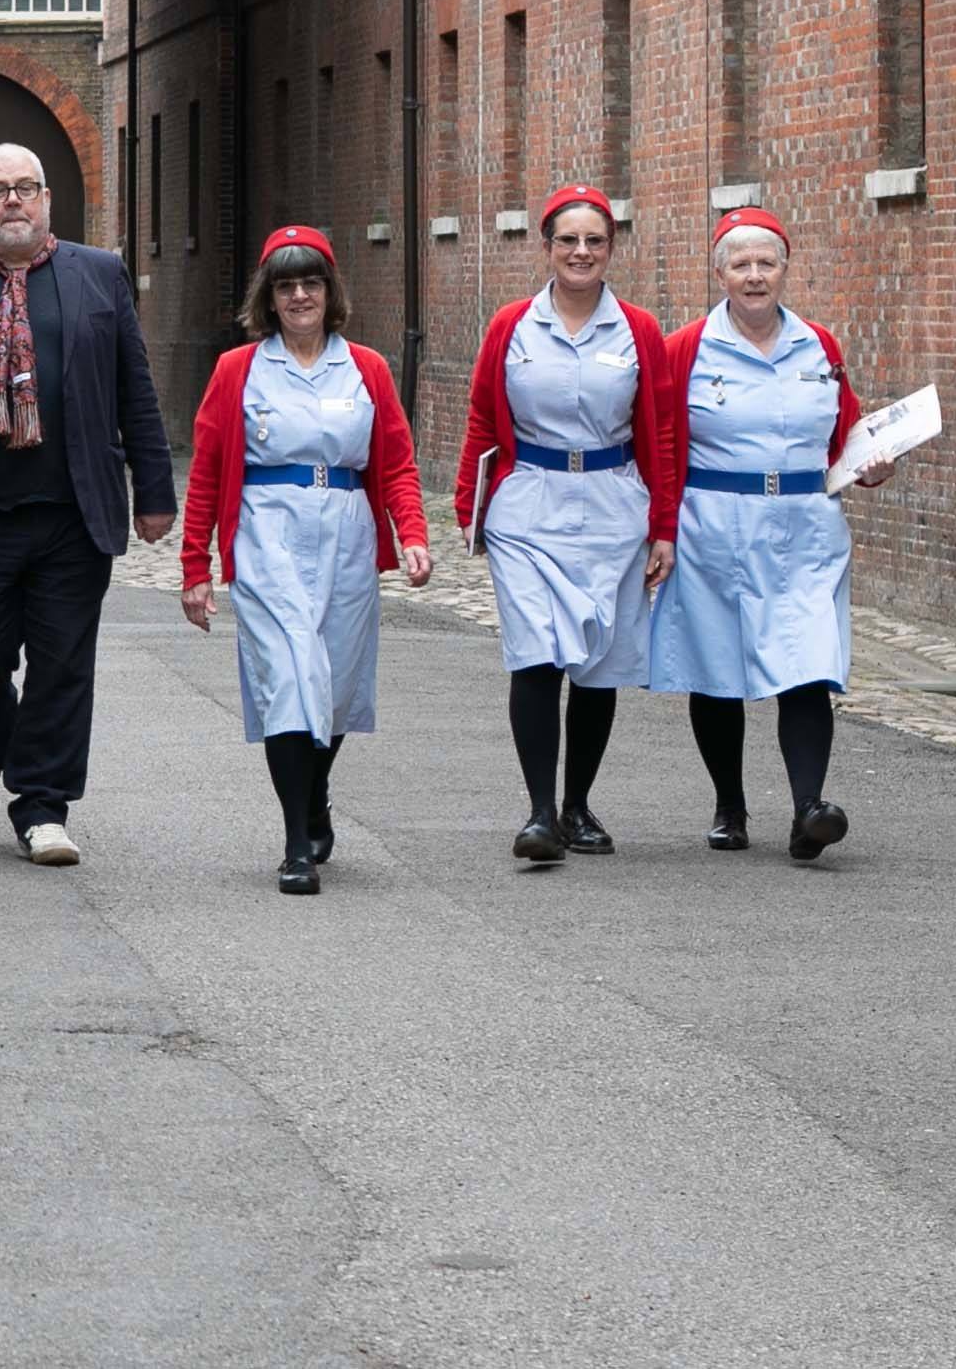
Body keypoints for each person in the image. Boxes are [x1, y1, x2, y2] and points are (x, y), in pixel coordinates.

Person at [0, 144, 176, 865]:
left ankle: (43, 806)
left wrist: (153, 489)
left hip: (72, 513)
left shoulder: (99, 276)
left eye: (25, 188)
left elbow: (133, 388)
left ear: (47, 199)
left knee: (61, 665)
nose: (12, 201)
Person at [176, 229, 431, 894]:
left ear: (329, 291)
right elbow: (205, 471)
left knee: (336, 686)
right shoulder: (239, 370)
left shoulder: (367, 369)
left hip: (346, 533)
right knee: (290, 676)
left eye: (310, 283)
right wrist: (194, 568)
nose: (298, 296)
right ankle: (295, 842)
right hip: (267, 535)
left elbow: (396, 461)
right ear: (268, 296)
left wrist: (410, 533)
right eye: (285, 286)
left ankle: (314, 792)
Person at [649, 207, 895, 859]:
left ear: (784, 269)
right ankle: (729, 805)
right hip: (714, 524)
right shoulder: (685, 350)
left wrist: (871, 465)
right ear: (719, 272)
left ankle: (807, 809)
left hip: (804, 526)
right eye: (740, 264)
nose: (754, 276)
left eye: (766, 263)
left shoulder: (819, 345)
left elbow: (844, 433)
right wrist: (661, 530)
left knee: (808, 662)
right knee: (716, 667)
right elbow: (664, 445)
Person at [453, 186, 681, 866]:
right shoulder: (510, 327)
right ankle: (539, 813)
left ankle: (578, 804)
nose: (580, 253)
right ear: (546, 248)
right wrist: (471, 507)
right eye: (567, 241)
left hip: (613, 502)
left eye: (594, 241)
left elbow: (662, 433)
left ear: (610, 249)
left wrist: (662, 527)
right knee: (536, 651)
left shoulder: (637, 329)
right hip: (528, 504)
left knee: (597, 662)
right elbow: (480, 419)